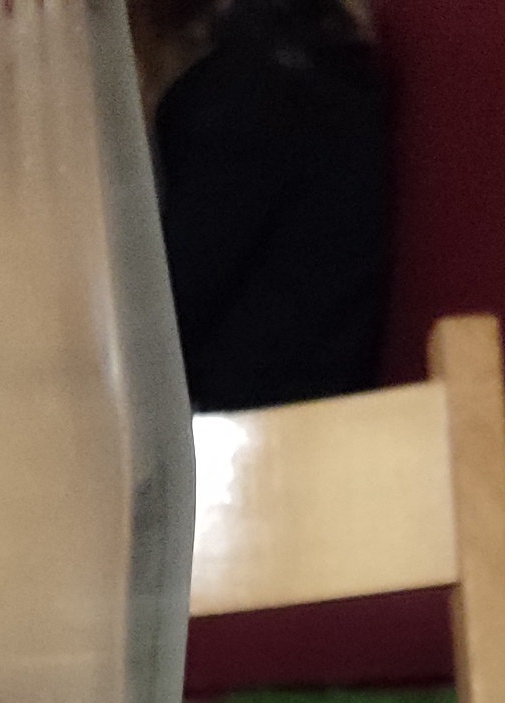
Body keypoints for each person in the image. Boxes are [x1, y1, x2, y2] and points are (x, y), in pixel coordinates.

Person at [132, 0, 391, 414]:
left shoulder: (256, 91)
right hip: (278, 399)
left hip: (260, 424)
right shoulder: (311, 48)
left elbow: (155, 320)